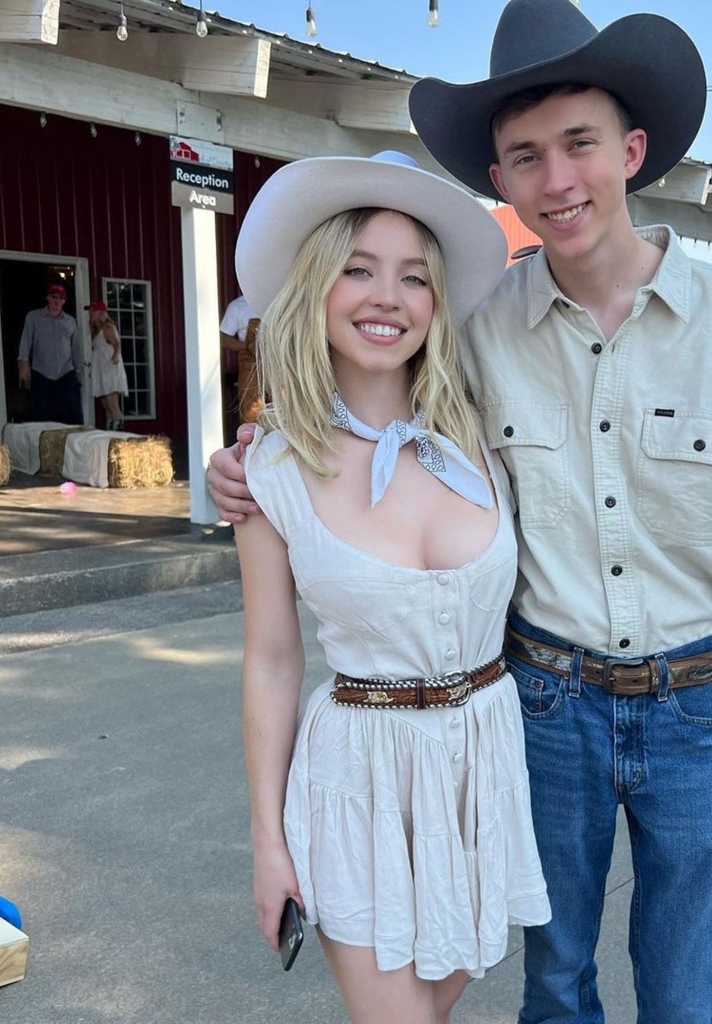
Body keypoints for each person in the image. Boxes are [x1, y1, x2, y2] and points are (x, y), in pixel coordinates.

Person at [211, 3, 712, 1021]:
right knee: (555, 981)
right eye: (524, 156)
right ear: (499, 181)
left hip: (701, 706)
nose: (558, 179)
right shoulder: (478, 332)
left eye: (579, 143)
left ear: (630, 150)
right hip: (546, 705)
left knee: (683, 991)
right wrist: (254, 464)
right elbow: (364, 407)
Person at [233, 150, 549, 1024]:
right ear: (315, 287)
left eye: (414, 277)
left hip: (482, 766)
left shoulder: (485, 434)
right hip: (357, 781)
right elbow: (269, 661)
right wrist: (267, 844)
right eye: (358, 269)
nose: (388, 297)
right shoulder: (271, 469)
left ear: (437, 302)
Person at [17, 282, 83, 424]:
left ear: (64, 301)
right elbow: (26, 340)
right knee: (41, 411)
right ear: (48, 298)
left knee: (70, 410)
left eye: (61, 298)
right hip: (42, 371)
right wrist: (23, 362)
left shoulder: (70, 321)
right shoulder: (33, 317)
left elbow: (75, 346)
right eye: (54, 297)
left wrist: (78, 369)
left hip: (66, 371)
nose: (57, 301)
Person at [219, 294, 263, 425]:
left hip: (280, 360)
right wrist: (247, 346)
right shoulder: (238, 306)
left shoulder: (280, 301)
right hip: (250, 360)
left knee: (286, 400)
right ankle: (251, 441)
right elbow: (223, 338)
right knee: (250, 406)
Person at [85, 300, 129, 430]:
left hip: (110, 368)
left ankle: (119, 432)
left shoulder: (108, 327)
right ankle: (110, 430)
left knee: (112, 403)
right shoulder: (95, 330)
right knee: (105, 403)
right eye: (90, 311)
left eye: (93, 310)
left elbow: (117, 344)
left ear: (101, 312)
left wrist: (116, 355)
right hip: (101, 369)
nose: (90, 313)